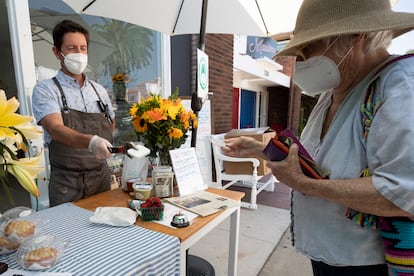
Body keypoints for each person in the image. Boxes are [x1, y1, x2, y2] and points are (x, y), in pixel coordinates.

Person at [223, 0, 414, 275]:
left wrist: (305, 185)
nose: (300, 59)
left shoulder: (400, 86)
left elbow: (402, 193)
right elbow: (316, 163)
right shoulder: (333, 93)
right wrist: (261, 149)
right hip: (329, 256)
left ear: (354, 35)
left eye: (308, 46)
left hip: (366, 266)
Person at [32, 20, 115, 207]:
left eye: (83, 48)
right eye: (71, 48)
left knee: (106, 232)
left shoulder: (99, 91)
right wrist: (92, 141)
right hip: (66, 182)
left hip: (100, 177)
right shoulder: (46, 90)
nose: (79, 54)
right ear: (57, 52)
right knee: (67, 234)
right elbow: (55, 129)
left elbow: (110, 124)